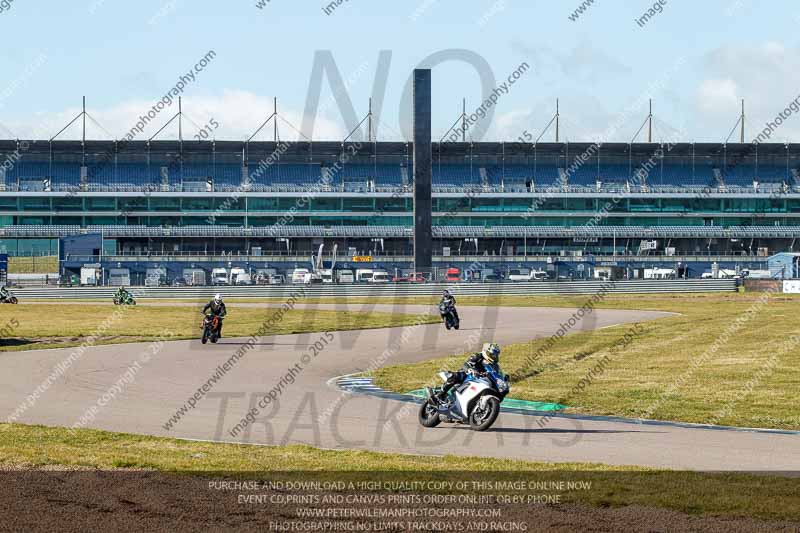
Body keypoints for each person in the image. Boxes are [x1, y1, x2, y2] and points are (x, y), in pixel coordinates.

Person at [432, 343, 501, 404]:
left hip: (482, 380)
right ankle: (440, 394)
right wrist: (471, 369)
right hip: (468, 374)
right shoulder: (477, 356)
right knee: (456, 376)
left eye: (495, 355)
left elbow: (496, 375)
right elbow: (466, 364)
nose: (494, 357)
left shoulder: (495, 365)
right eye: (492, 355)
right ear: (486, 352)